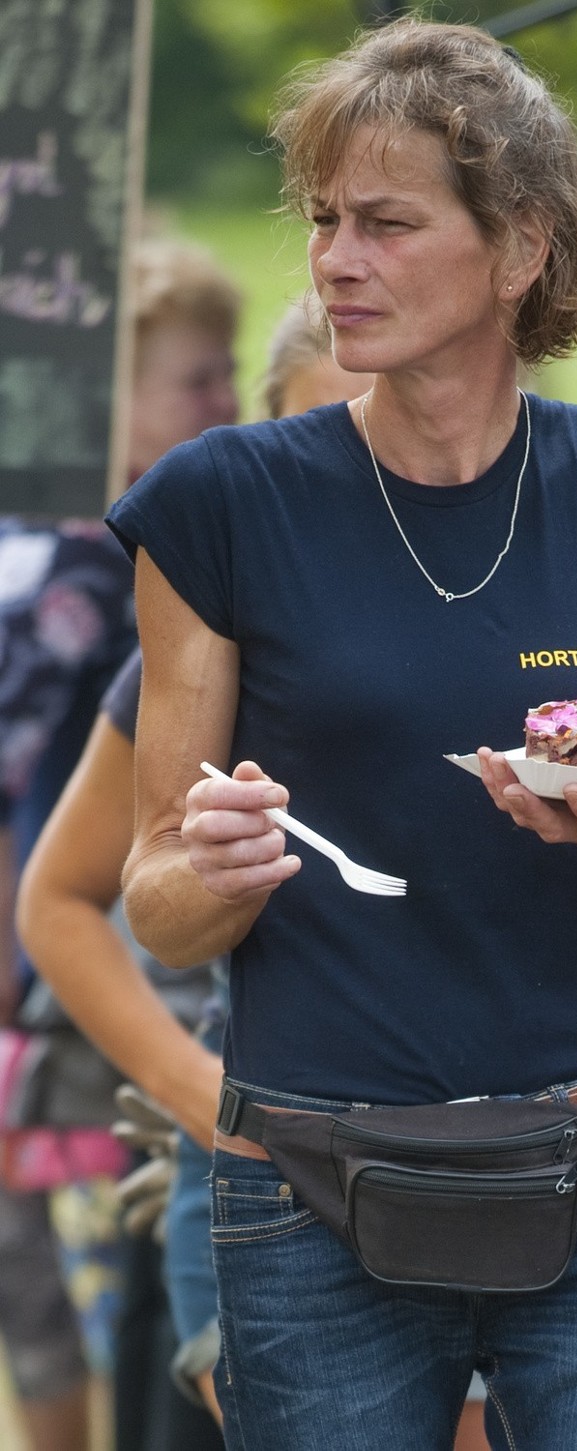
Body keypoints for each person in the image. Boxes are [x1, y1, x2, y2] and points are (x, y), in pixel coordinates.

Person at [105, 20, 577, 1450]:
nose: (337, 259)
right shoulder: (220, 501)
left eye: (388, 223)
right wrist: (213, 864)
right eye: (327, 221)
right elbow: (157, 897)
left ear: (520, 248)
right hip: (306, 1191)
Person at [0, 235, 241, 1451]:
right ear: (117, 402)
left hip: (123, 972)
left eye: (230, 371)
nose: (227, 399)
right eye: (197, 379)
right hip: (85, 988)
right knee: (85, 1299)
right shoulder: (91, 568)